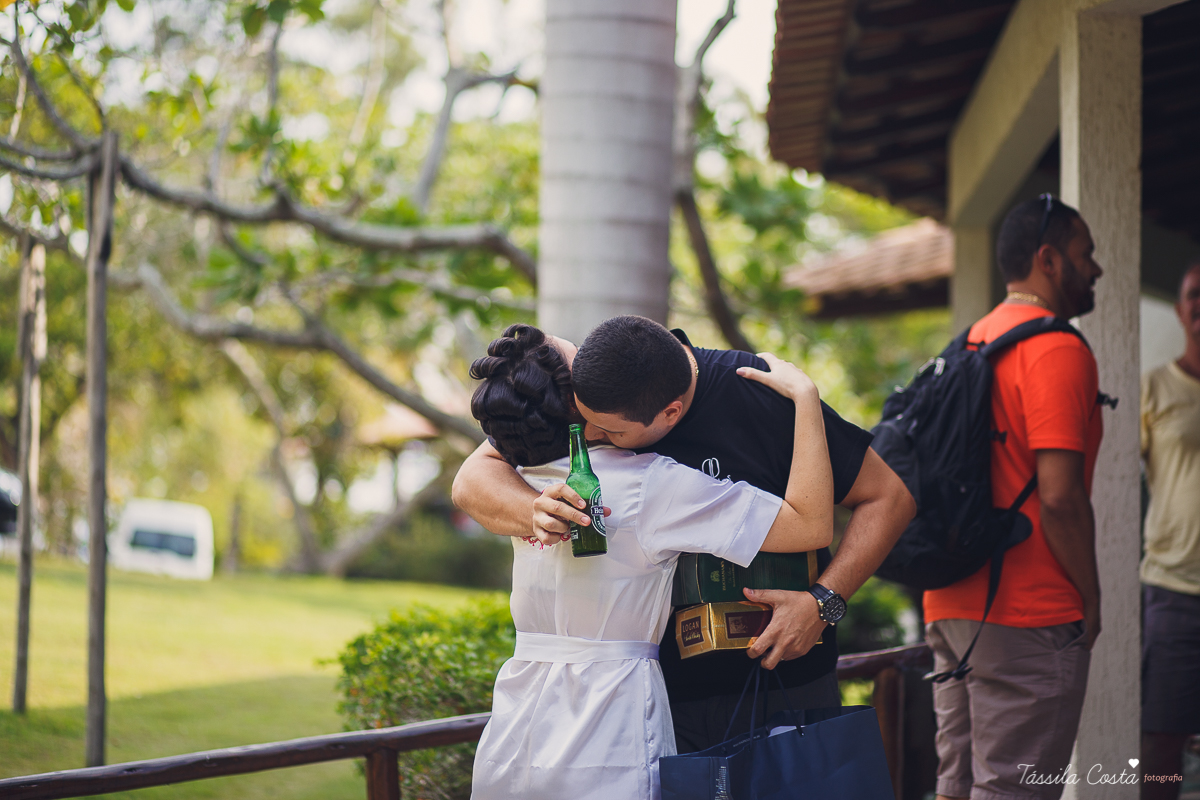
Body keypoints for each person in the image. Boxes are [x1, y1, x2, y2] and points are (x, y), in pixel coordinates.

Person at [453, 316, 916, 752]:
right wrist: (536, 511)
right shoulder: (595, 383)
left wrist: (824, 602)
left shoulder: (759, 392)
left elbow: (888, 499)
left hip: (782, 681)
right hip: (653, 700)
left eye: (609, 431)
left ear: (669, 412)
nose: (588, 434)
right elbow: (473, 477)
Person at [924, 194, 1105, 800]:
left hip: (948, 603)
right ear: (1049, 260)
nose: (1098, 267)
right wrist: (1092, 595)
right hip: (1027, 612)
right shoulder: (1057, 349)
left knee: (957, 787)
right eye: (1087, 254)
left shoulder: (969, 344)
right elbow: (1059, 497)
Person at [1139, 261, 1200, 800]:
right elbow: (1107, 482)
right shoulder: (1155, 387)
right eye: (1193, 295)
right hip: (1173, 590)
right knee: (1161, 739)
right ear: (1180, 309)